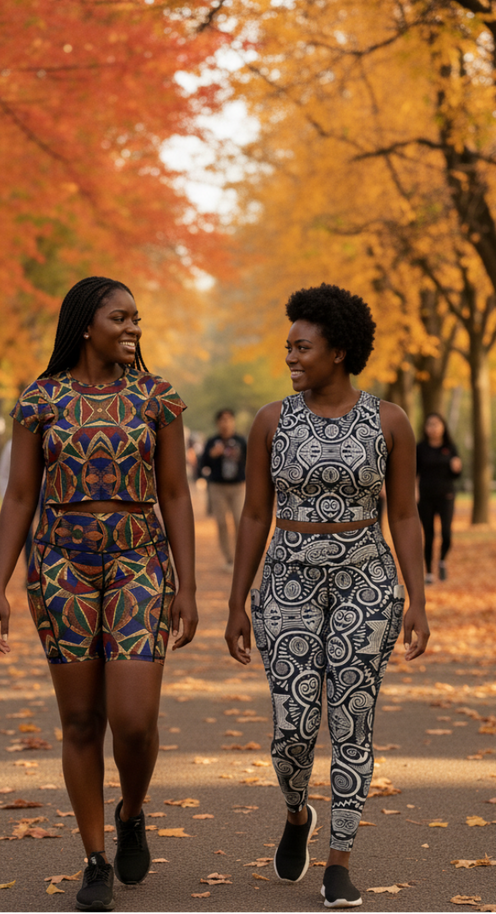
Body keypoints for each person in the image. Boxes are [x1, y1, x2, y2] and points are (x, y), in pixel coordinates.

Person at [0, 277, 197, 912]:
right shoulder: (39, 400)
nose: (133, 327)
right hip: (60, 566)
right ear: (85, 324)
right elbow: (19, 496)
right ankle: (95, 858)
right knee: (80, 721)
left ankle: (132, 811)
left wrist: (186, 585)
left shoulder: (160, 399)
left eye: (136, 318)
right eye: (120, 317)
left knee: (134, 723)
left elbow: (177, 494)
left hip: (139, 561)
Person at [225, 283, 429, 909]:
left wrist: (417, 599)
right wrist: (238, 601)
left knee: (351, 722)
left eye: (302, 347)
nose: (291, 357)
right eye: (288, 347)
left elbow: (404, 516)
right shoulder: (271, 421)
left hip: (366, 581)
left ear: (337, 352)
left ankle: (340, 860)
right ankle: (296, 816)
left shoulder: (388, 421)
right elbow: (255, 514)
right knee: (292, 729)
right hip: (287, 579)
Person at [416, 412, 462, 583]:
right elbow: (415, 472)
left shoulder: (450, 447)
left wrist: (457, 469)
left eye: (436, 424)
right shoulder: (420, 448)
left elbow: (456, 474)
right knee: (428, 535)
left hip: (446, 495)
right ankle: (428, 573)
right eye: (430, 424)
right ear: (425, 428)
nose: (433, 428)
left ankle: (442, 560)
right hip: (426, 497)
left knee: (447, 534)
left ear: (443, 427)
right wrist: (415, 492)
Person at [199, 408, 247, 568]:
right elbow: (201, 466)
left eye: (228, 419)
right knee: (221, 523)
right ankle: (229, 559)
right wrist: (212, 455)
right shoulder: (212, 442)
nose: (225, 423)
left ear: (233, 421)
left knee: (240, 520)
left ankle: (241, 557)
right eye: (222, 420)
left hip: (238, 487)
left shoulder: (241, 441)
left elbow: (251, 462)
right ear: (217, 423)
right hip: (217, 487)